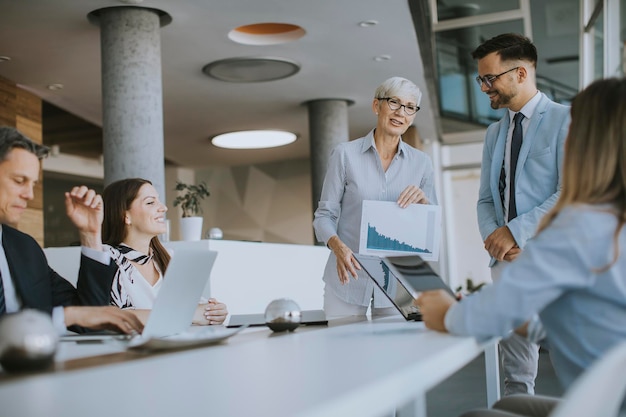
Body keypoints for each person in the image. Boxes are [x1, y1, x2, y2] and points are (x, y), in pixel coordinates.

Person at [416, 77, 626, 417]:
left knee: (476, 415)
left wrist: (446, 312)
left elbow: (484, 317)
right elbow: (594, 323)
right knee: (508, 404)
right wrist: (524, 320)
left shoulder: (580, 227)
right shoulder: (614, 223)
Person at [473, 33, 571, 396]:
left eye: (489, 78)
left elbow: (571, 192)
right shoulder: (493, 134)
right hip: (507, 265)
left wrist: (515, 232)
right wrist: (496, 242)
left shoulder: (567, 120)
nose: (484, 87)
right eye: (480, 79)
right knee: (516, 374)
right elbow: (485, 199)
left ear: (520, 74)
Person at [313, 76, 437, 318]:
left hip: (398, 282)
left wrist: (424, 203)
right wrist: (338, 247)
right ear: (376, 106)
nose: (401, 112)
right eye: (394, 102)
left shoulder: (422, 163)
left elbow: (430, 227)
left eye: (409, 107)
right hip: (348, 277)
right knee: (342, 353)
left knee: (396, 354)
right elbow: (324, 216)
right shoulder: (344, 155)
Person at [0, 126, 143, 334]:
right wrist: (67, 316)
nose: (29, 195)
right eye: (19, 181)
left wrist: (90, 234)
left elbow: (90, 318)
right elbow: (75, 316)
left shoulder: (25, 248)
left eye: (33, 184)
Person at [70, 178, 228, 325]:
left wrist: (213, 312)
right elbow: (112, 316)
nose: (163, 208)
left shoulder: (168, 256)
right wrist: (191, 314)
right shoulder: (105, 258)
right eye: (151, 202)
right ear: (125, 216)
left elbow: (194, 306)